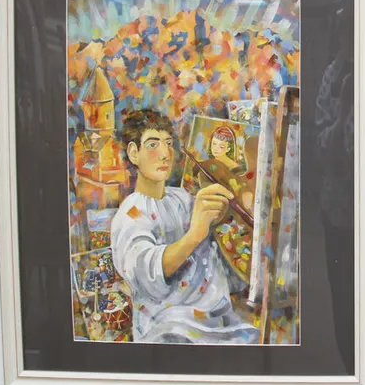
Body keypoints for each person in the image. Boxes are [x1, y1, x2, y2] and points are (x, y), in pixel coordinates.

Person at [110, 109, 258, 345]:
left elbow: (213, 259)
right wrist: (195, 234)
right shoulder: (131, 212)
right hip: (170, 327)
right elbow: (147, 272)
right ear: (133, 153)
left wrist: (224, 220)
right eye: (153, 144)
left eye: (168, 143)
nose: (165, 154)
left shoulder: (182, 198)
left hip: (218, 319)